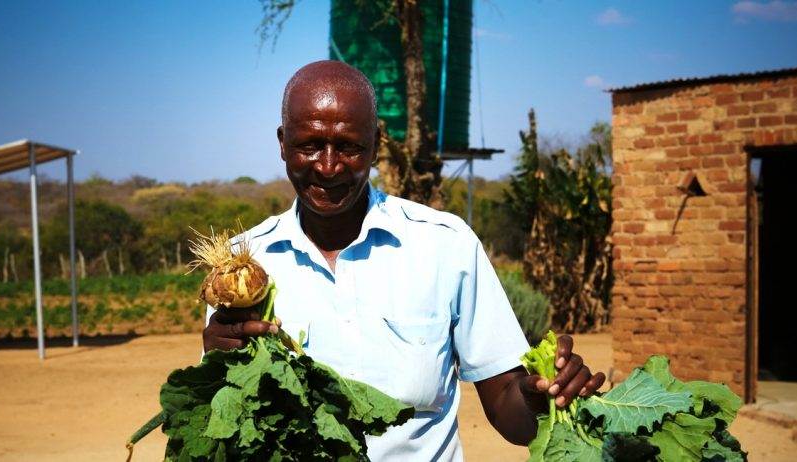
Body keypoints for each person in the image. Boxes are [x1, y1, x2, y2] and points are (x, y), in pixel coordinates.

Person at [204, 60, 604, 461]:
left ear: (376, 145)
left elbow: (505, 402)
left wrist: (543, 396)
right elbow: (225, 422)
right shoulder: (241, 266)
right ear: (282, 143)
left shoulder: (444, 246)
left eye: (349, 147)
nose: (327, 167)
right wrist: (215, 370)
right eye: (309, 145)